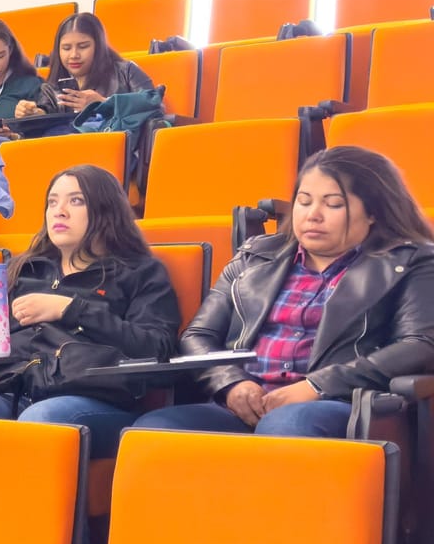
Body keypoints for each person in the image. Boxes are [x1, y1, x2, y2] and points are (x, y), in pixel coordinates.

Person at [134, 146, 434, 438]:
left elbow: (419, 344)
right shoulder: (255, 256)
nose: (313, 215)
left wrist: (317, 386)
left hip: (340, 403)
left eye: (333, 204)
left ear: (373, 213)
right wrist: (231, 384)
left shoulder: (411, 261)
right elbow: (198, 336)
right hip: (247, 403)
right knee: (154, 429)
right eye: (304, 202)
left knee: (286, 424)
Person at [0, 167, 180, 456]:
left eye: (76, 201)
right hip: (12, 393)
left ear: (106, 209)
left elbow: (157, 347)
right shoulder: (23, 270)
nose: (60, 211)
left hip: (95, 401)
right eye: (53, 202)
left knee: (40, 420)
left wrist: (72, 310)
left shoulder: (140, 271)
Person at [47, 11, 152, 115]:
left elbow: (153, 103)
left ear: (99, 46)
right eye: (66, 48)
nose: (74, 55)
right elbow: (44, 113)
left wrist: (105, 103)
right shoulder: (50, 88)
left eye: (83, 46)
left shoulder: (126, 72)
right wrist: (36, 112)